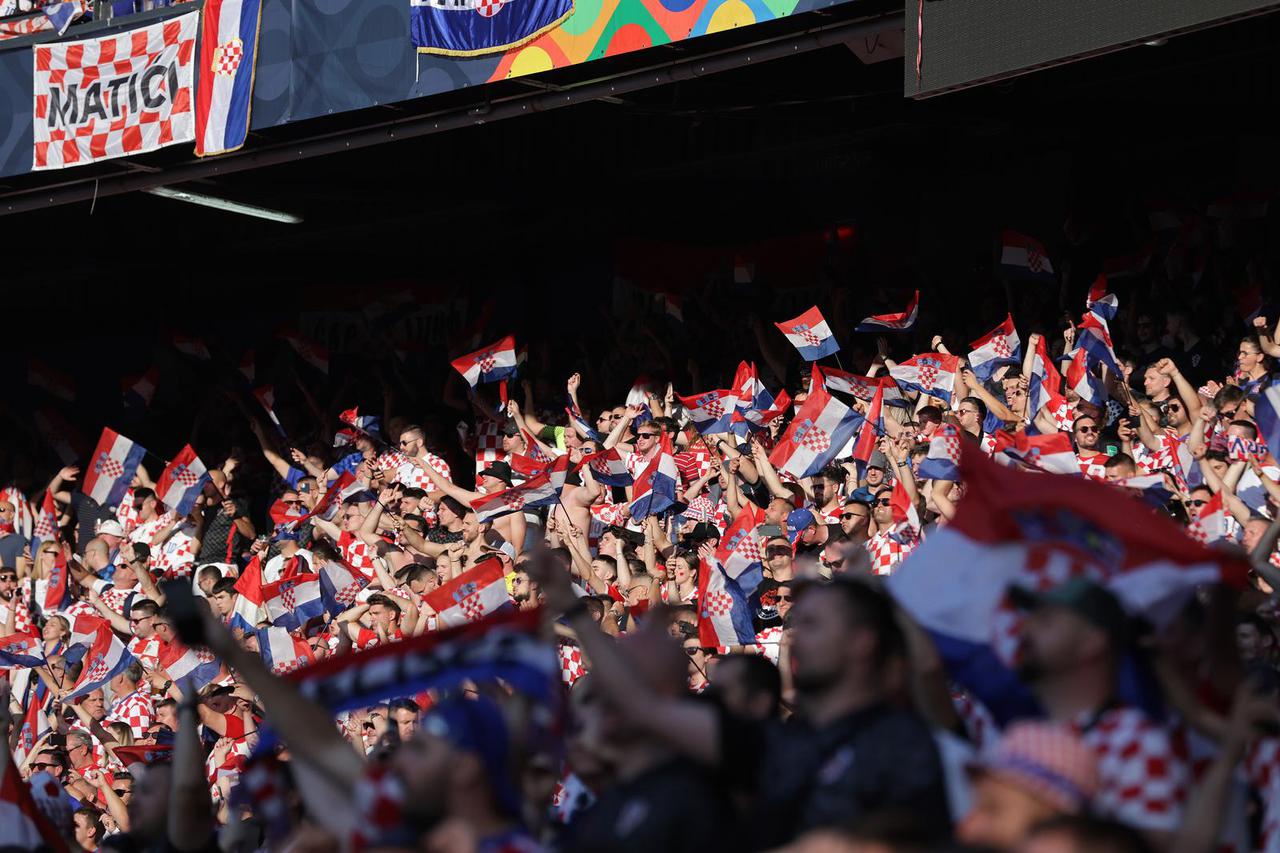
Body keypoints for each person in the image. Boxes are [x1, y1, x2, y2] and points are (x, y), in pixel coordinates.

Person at [531, 554, 952, 850]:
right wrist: (576, 614)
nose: (795, 634)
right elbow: (645, 707)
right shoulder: (774, 743)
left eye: (813, 623)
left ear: (863, 643)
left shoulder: (904, 737)